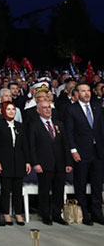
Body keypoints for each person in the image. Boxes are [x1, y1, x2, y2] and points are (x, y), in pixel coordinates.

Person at [64, 82, 104, 225]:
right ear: (77, 93)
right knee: (80, 183)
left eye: (88, 91)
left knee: (97, 184)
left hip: (98, 152)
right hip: (81, 152)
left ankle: (97, 213)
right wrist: (73, 150)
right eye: (83, 91)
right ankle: (84, 213)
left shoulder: (98, 107)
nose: (86, 93)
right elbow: (69, 132)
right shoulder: (71, 109)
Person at [28, 100, 72, 226]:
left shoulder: (59, 124)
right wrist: (35, 163)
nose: (48, 110)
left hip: (60, 163)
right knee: (44, 191)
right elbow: (31, 146)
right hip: (44, 163)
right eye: (44, 108)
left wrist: (68, 162)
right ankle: (46, 215)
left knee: (59, 190)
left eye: (49, 107)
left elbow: (65, 145)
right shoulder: (34, 125)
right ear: (38, 110)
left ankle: (57, 214)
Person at [0, 101, 31, 225]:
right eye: (8, 109)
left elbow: (25, 145)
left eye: (13, 109)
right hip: (4, 161)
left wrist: (28, 161)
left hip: (19, 161)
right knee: (6, 189)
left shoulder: (20, 126)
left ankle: (18, 213)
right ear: (2, 111)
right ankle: (6, 213)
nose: (11, 111)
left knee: (18, 189)